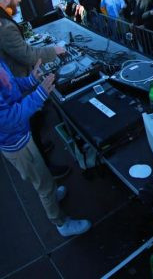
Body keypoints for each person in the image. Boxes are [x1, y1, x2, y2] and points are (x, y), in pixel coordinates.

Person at [0, 60, 91, 237]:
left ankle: (53, 196)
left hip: (22, 135)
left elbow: (10, 84)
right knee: (44, 186)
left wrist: (30, 80)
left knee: (43, 174)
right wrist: (39, 94)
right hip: (18, 145)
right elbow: (8, 119)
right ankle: (61, 223)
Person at [0, 0, 69, 179]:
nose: (21, 0)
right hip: (16, 83)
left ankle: (39, 147)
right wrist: (54, 50)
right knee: (31, 122)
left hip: (18, 81)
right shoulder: (4, 27)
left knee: (35, 125)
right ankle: (47, 167)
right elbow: (27, 54)